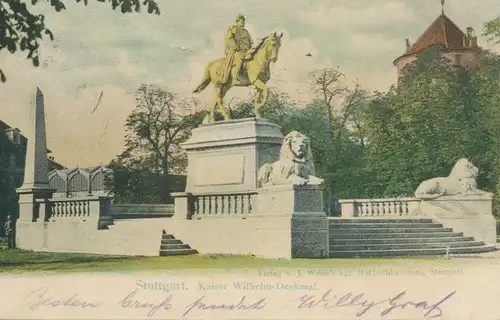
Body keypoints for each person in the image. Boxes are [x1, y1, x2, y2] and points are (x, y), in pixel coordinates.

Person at [219, 14, 254, 84]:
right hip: (237, 50)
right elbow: (229, 39)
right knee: (240, 57)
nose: (243, 23)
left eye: (243, 21)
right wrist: (236, 47)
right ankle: (235, 77)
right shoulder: (233, 29)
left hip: (247, 50)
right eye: (241, 21)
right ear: (237, 21)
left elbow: (250, 42)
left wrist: (251, 49)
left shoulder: (246, 32)